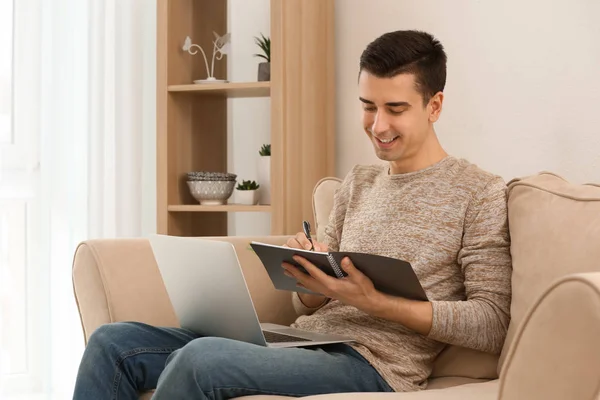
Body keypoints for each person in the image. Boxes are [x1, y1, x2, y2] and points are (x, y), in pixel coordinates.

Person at [73, 30, 512, 399]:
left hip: (373, 364)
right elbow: (308, 305)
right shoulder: (358, 182)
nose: (378, 126)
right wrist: (311, 278)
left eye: (395, 109)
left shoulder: (480, 193)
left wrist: (376, 303)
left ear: (434, 106)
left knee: (201, 360)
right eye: (367, 106)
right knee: (113, 342)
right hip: (304, 338)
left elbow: (492, 322)